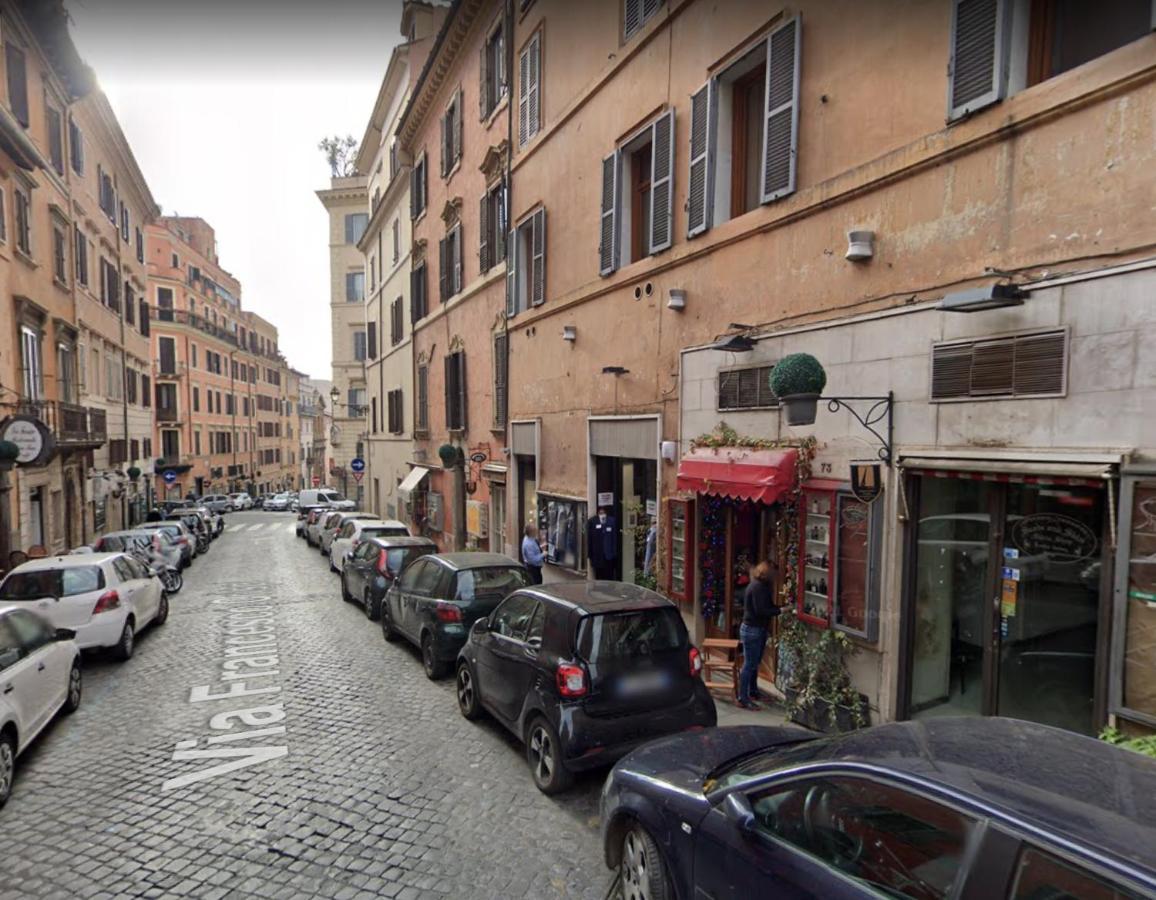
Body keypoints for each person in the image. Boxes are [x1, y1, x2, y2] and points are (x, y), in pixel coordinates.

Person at [739, 560, 781, 710]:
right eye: (774, 574)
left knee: (753, 663)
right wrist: (780, 610)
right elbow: (761, 610)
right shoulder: (758, 587)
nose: (776, 577)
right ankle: (743, 697)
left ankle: (753, 692)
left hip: (756, 628)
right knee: (749, 664)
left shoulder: (760, 585)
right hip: (753, 629)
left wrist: (777, 608)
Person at [587, 507, 618, 580]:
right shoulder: (593, 521)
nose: (602, 515)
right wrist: (590, 554)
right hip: (597, 555)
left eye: (603, 513)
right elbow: (590, 539)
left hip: (609, 555)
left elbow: (614, 538)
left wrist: (614, 552)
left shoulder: (611, 521)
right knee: (599, 574)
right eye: (600, 513)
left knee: (609, 574)